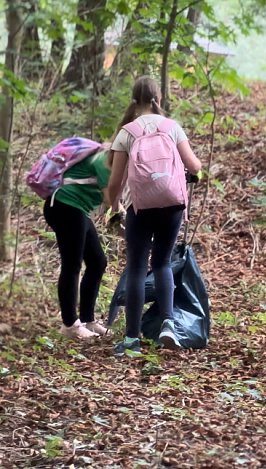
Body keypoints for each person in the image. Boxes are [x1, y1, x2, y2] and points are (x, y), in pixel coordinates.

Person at [107, 76, 202, 357]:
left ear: (134, 101)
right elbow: (194, 165)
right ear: (158, 99)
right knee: (162, 262)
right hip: (172, 204)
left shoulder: (127, 132)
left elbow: (115, 182)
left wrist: (114, 208)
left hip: (141, 206)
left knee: (137, 267)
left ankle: (130, 340)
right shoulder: (172, 127)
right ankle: (169, 325)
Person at [43, 148, 111, 340]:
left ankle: (87, 320)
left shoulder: (112, 160)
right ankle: (70, 324)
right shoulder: (105, 160)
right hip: (66, 206)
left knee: (98, 261)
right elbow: (111, 199)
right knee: (72, 264)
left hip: (76, 209)